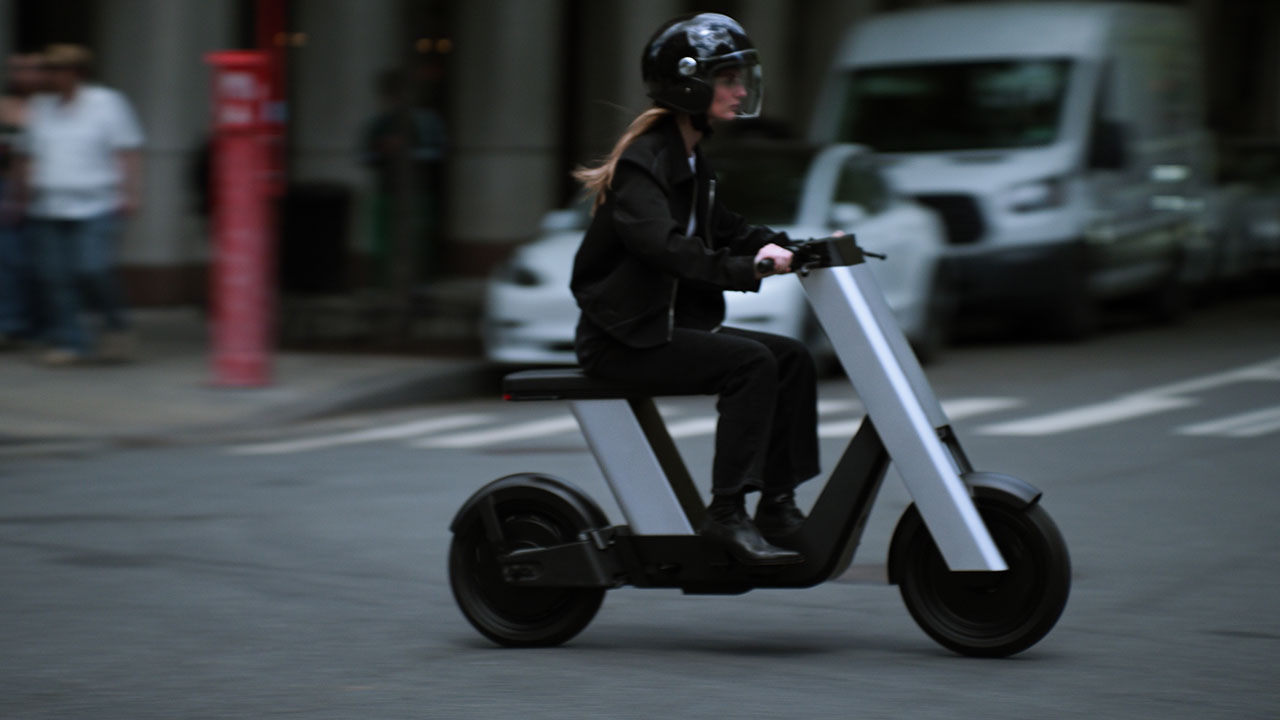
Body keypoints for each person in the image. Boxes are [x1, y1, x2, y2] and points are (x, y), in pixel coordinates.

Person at [569, 14, 819, 566]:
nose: (738, 89)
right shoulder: (643, 163)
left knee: (793, 358)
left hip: (664, 327)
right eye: (726, 78)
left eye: (738, 77)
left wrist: (794, 248)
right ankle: (727, 514)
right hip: (624, 338)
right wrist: (748, 270)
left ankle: (778, 501)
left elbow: (724, 227)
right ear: (688, 84)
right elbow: (662, 247)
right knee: (751, 364)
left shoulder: (688, 157)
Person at [14, 44, 143, 365]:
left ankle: (117, 327)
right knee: (54, 276)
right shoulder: (41, 107)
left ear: (77, 73)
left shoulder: (107, 103)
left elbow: (127, 151)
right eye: (49, 70)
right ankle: (71, 342)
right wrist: (22, 196)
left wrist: (131, 193)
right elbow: (27, 155)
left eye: (58, 70)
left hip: (96, 201)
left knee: (93, 268)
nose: (51, 77)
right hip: (48, 204)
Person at [0, 53, 47, 346]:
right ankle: (10, 323)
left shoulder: (54, 107)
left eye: (31, 70)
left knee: (43, 262)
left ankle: (43, 324)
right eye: (18, 70)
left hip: (46, 186)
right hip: (7, 185)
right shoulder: (5, 106)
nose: (23, 76)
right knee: (10, 258)